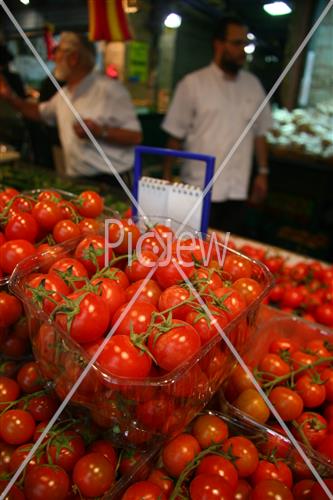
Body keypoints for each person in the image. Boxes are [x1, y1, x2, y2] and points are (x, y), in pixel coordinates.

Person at [162, 15, 272, 234]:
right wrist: (166, 178)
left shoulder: (253, 85)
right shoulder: (193, 84)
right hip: (197, 188)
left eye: (245, 43)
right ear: (218, 44)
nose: (243, 50)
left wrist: (262, 172)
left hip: (237, 188)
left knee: (225, 254)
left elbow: (260, 133)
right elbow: (175, 136)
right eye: (237, 43)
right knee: (191, 250)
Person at [0, 32, 142, 183]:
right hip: (79, 179)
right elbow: (40, 113)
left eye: (58, 51)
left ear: (73, 58)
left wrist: (99, 131)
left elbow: (135, 136)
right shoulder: (65, 93)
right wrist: (10, 97)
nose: (54, 58)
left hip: (113, 179)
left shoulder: (110, 90)